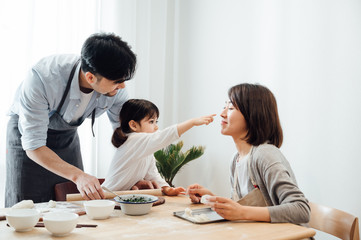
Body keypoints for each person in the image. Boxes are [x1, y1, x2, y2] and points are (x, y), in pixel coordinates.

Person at [5, 33, 137, 207]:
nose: (122, 86)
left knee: (72, 204)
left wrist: (138, 175)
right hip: (27, 141)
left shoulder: (116, 88)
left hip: (66, 137)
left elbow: (126, 136)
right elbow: (34, 145)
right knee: (27, 208)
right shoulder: (42, 77)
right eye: (117, 81)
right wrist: (78, 175)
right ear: (90, 77)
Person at [187, 83, 310, 224]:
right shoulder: (236, 159)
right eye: (224, 106)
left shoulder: (264, 155)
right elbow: (241, 209)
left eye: (231, 108)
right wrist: (212, 198)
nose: (222, 113)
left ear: (253, 115)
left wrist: (241, 212)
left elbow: (301, 209)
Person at [102, 99, 215, 195]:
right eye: (151, 122)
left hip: (118, 197)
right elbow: (162, 137)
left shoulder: (144, 148)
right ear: (133, 125)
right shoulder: (133, 140)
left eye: (156, 122)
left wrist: (167, 188)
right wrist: (192, 122)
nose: (156, 127)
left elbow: (152, 174)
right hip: (105, 197)